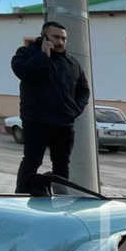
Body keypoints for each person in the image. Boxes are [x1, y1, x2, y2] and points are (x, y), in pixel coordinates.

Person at [11, 21, 90, 194]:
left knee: (62, 163)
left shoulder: (72, 63)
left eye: (64, 38)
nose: (60, 42)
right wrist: (43, 56)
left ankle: (61, 197)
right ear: (44, 36)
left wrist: (74, 110)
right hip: (36, 121)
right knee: (32, 160)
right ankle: (21, 194)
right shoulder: (26, 54)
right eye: (56, 37)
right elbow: (23, 72)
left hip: (64, 123)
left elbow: (84, 90)